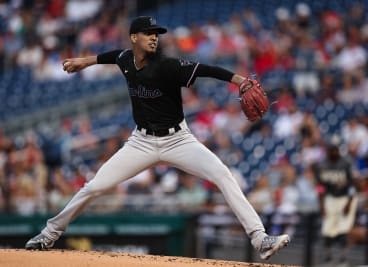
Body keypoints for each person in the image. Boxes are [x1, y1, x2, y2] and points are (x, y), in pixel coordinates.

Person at [25, 16, 290, 260]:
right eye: (147, 33)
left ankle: (259, 238)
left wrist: (239, 79)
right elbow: (112, 56)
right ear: (133, 38)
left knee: (222, 174)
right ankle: (49, 234)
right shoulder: (127, 60)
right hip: (140, 143)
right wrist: (85, 61)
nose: (154, 37)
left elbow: (207, 69)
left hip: (178, 140)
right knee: (94, 187)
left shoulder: (168, 66)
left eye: (156, 34)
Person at [313, 136, 358, 266]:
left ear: (339, 149)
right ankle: (328, 259)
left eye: (336, 149)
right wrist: (321, 204)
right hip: (330, 198)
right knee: (327, 231)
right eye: (331, 149)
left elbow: (352, 184)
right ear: (328, 149)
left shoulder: (346, 162)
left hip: (345, 198)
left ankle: (343, 260)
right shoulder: (321, 164)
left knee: (343, 231)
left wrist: (349, 203)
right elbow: (320, 187)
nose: (334, 151)